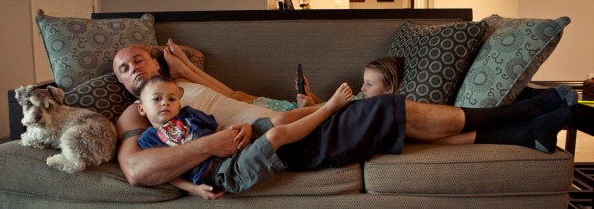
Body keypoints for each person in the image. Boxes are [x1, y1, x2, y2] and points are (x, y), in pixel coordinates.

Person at [113, 41, 576, 189]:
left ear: (156, 62)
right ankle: (527, 113)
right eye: (122, 68)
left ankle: (526, 133)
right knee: (394, 111)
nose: (132, 68)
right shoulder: (134, 117)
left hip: (281, 124)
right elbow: (136, 170)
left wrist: (188, 67)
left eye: (138, 59)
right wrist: (210, 147)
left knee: (403, 123)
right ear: (128, 91)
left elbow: (232, 92)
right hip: (282, 141)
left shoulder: (181, 88)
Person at [136, 75, 353, 199]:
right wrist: (194, 189)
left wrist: (243, 128)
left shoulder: (190, 115)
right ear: (142, 109)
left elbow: (220, 127)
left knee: (280, 118)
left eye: (171, 98)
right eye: (157, 99)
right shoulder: (149, 139)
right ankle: (330, 108)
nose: (165, 103)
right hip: (224, 172)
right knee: (276, 134)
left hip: (232, 144)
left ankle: (325, 107)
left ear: (179, 103)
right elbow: (165, 173)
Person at [255, 56, 404, 110]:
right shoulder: (361, 97)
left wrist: (310, 108)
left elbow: (330, 122)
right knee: (241, 97)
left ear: (388, 88)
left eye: (369, 84)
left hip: (299, 118)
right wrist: (310, 94)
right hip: (299, 110)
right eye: (364, 82)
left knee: (245, 102)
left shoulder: (367, 109)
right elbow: (328, 105)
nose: (362, 88)